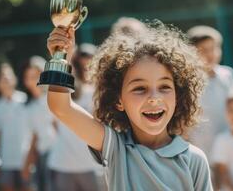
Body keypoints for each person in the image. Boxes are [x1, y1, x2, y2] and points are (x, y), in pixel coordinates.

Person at [45, 22, 213, 190]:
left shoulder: (194, 159)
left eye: (164, 87)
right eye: (140, 89)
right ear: (119, 101)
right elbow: (61, 107)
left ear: (178, 95)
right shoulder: (115, 148)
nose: (154, 98)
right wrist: (60, 57)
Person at [186, 25, 233, 188]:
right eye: (203, 50)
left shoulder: (228, 74)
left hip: (231, 149)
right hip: (203, 149)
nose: (210, 54)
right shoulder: (188, 81)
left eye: (214, 48)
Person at [48, 44, 103, 191]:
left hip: (91, 165)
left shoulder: (102, 92)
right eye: (81, 65)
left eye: (90, 65)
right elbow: (55, 120)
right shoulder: (67, 89)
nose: (86, 70)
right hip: (64, 163)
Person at [0, 63, 31, 191]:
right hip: (6, 160)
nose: (5, 80)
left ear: (14, 79)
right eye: (2, 78)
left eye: (8, 76)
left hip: (26, 158)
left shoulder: (25, 100)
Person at [21, 56, 57, 191]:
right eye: (29, 76)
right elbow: (34, 137)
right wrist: (27, 163)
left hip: (58, 154)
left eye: (37, 75)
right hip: (43, 156)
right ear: (25, 81)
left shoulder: (54, 98)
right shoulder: (29, 107)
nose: (34, 80)